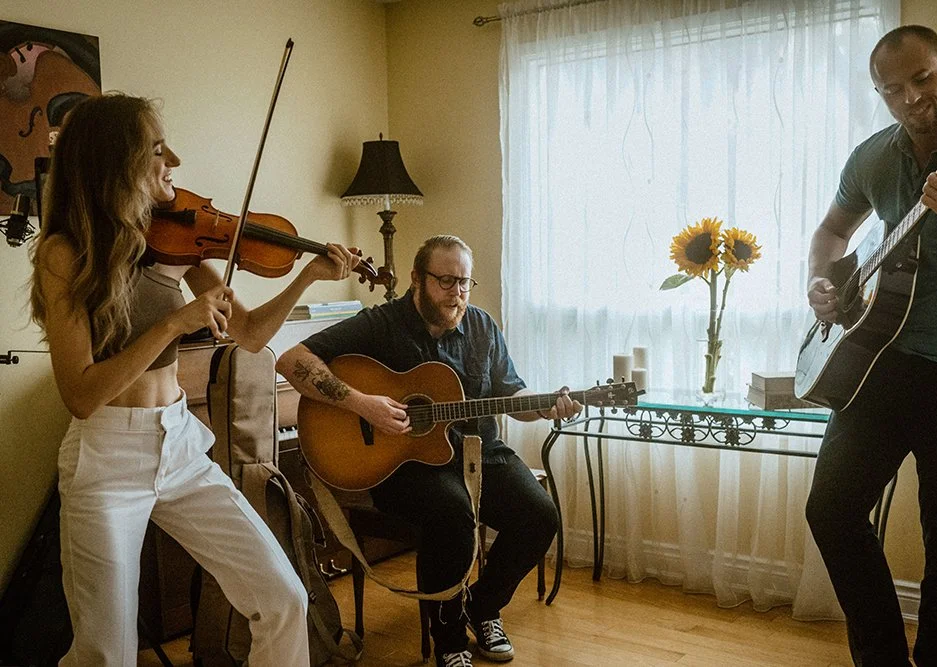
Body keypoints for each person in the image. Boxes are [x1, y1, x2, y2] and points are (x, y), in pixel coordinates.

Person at [28, 92, 362, 666]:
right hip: (106, 460)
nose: (174, 161)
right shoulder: (66, 253)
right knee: (105, 653)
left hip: (178, 443)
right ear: (118, 161)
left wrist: (308, 275)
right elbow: (81, 395)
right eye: (158, 150)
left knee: (282, 596)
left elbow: (252, 333)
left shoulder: (174, 239)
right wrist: (174, 324)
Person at [276, 234, 579, 667]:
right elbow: (292, 360)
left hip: (479, 453)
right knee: (451, 512)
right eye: (446, 281)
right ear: (417, 279)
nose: (457, 293)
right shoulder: (381, 325)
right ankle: (450, 641)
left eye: (464, 283)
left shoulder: (482, 327)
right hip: (403, 464)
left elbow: (512, 394)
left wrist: (546, 407)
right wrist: (364, 405)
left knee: (539, 516)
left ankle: (482, 607)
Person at [804, 25, 937, 666]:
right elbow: (833, 231)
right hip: (880, 362)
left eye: (922, 79)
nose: (911, 98)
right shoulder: (873, 157)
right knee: (830, 510)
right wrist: (823, 281)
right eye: (892, 90)